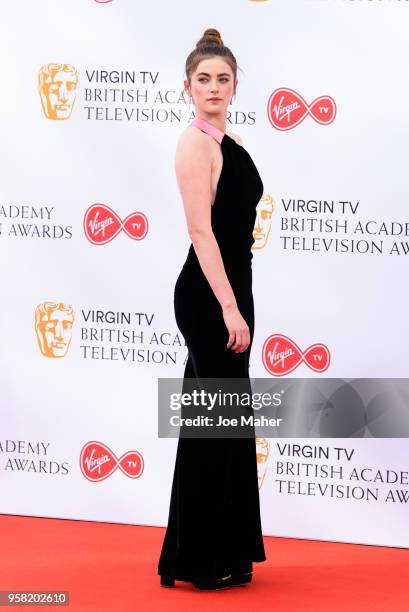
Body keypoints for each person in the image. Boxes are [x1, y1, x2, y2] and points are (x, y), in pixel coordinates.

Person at [157, 27, 267, 591]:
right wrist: (229, 308)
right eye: (204, 80)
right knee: (216, 423)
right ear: (187, 87)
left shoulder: (230, 140)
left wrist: (238, 301)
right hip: (208, 296)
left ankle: (204, 553)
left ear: (235, 85)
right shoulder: (194, 144)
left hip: (233, 288)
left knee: (218, 422)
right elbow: (201, 231)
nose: (215, 87)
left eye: (224, 78)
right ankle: (202, 560)